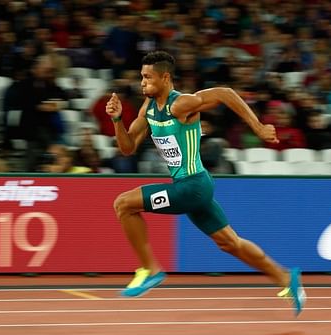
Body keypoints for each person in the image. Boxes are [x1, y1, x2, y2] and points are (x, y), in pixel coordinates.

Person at [105, 51, 306, 315]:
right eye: (141, 77)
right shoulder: (148, 108)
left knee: (123, 204)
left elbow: (225, 92)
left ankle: (150, 269)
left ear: (165, 77)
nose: (142, 82)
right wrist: (117, 120)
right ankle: (285, 279)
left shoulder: (181, 105)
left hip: (192, 186)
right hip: (193, 189)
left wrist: (257, 127)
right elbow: (128, 148)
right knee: (230, 243)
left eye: (147, 77)